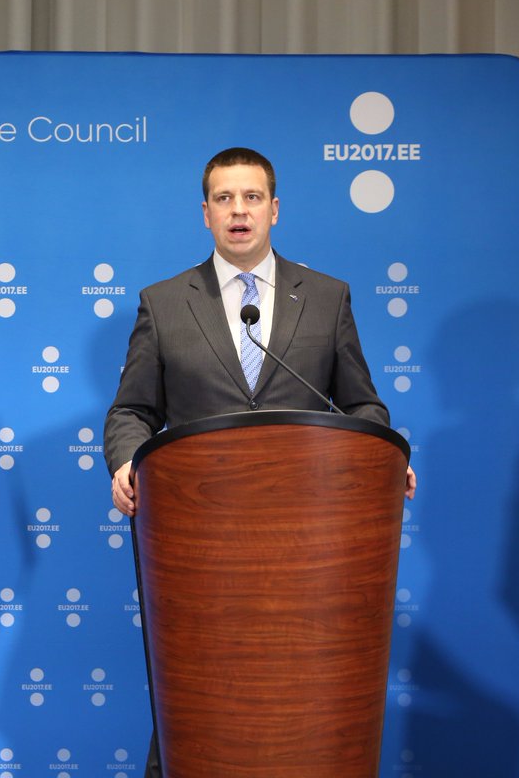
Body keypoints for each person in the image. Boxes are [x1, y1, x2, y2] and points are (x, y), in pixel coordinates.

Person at [103, 147, 415, 776]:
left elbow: (362, 404)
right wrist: (127, 461)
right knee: (201, 706)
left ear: (275, 209)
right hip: (200, 543)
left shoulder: (325, 297)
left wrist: (380, 458)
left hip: (308, 545)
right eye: (224, 199)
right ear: (206, 214)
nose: (238, 211)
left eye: (251, 198)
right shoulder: (164, 303)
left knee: (304, 705)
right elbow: (132, 410)